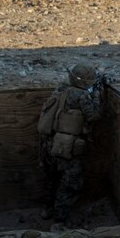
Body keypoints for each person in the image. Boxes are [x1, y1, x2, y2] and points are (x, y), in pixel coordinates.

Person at [37, 64, 104, 223]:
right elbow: (94, 115)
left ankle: (47, 210)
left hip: (48, 144)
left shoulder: (60, 89)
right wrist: (96, 95)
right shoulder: (80, 95)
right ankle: (59, 222)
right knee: (70, 184)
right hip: (65, 147)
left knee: (51, 179)